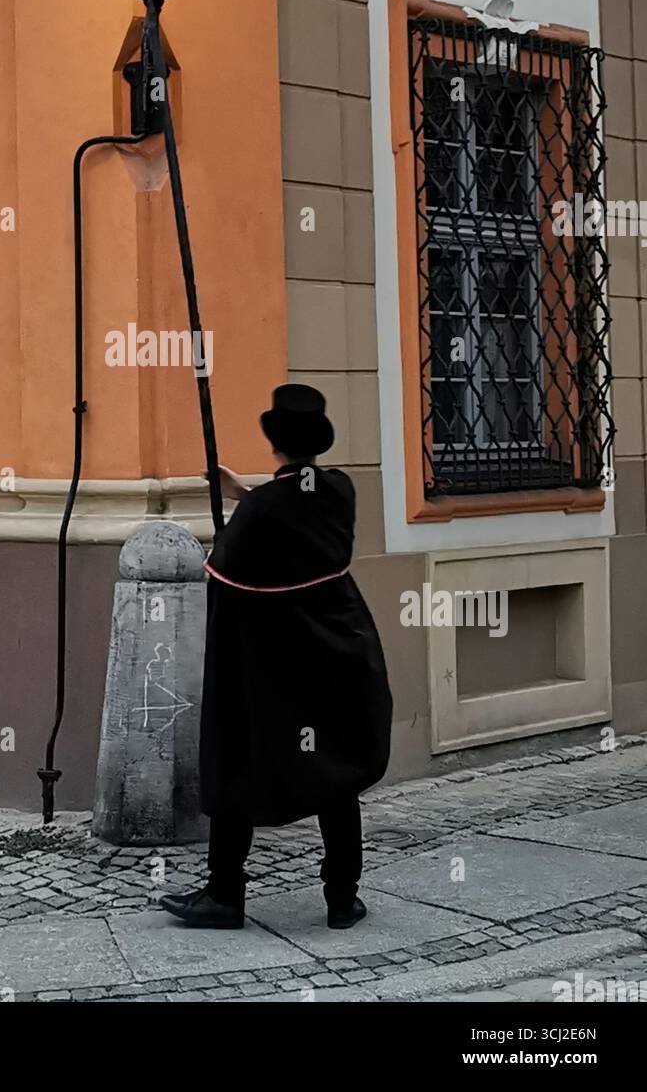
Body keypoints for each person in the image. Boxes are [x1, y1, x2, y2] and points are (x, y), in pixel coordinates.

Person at [160, 383, 393, 931]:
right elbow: (296, 508)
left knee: (236, 761)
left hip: (271, 669)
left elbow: (222, 572)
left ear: (275, 444)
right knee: (335, 770)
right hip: (336, 658)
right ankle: (341, 898)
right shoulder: (339, 491)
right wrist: (245, 494)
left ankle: (224, 894)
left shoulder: (263, 511)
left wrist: (235, 518)